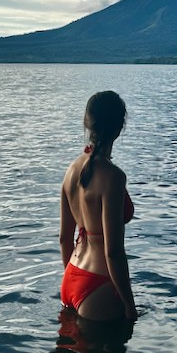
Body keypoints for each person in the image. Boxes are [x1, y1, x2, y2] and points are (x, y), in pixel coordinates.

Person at [60, 91, 138, 322]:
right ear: (119, 128)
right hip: (98, 284)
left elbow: (64, 238)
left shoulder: (71, 170)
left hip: (71, 274)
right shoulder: (113, 177)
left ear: (87, 123)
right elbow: (113, 252)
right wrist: (129, 305)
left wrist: (72, 279)